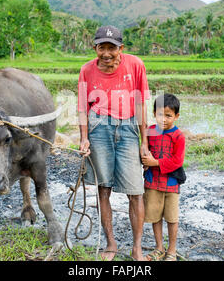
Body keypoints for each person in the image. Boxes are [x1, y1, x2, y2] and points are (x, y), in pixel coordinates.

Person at [78, 25, 150, 261]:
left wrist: (144, 142)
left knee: (136, 192)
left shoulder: (136, 65)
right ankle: (111, 243)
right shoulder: (86, 70)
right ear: (95, 48)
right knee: (103, 188)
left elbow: (140, 104)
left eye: (112, 48)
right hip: (98, 127)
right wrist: (84, 137)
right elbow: (82, 108)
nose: (107, 53)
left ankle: (137, 247)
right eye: (102, 47)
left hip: (128, 127)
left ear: (122, 48)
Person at [141, 93, 186, 261]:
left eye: (169, 115)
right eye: (160, 114)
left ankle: (172, 251)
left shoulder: (178, 136)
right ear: (154, 113)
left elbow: (177, 161)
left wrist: (155, 163)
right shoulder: (149, 132)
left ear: (176, 116)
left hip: (171, 184)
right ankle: (159, 248)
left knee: (172, 218)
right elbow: (144, 152)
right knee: (155, 216)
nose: (164, 119)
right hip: (152, 183)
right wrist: (145, 161)